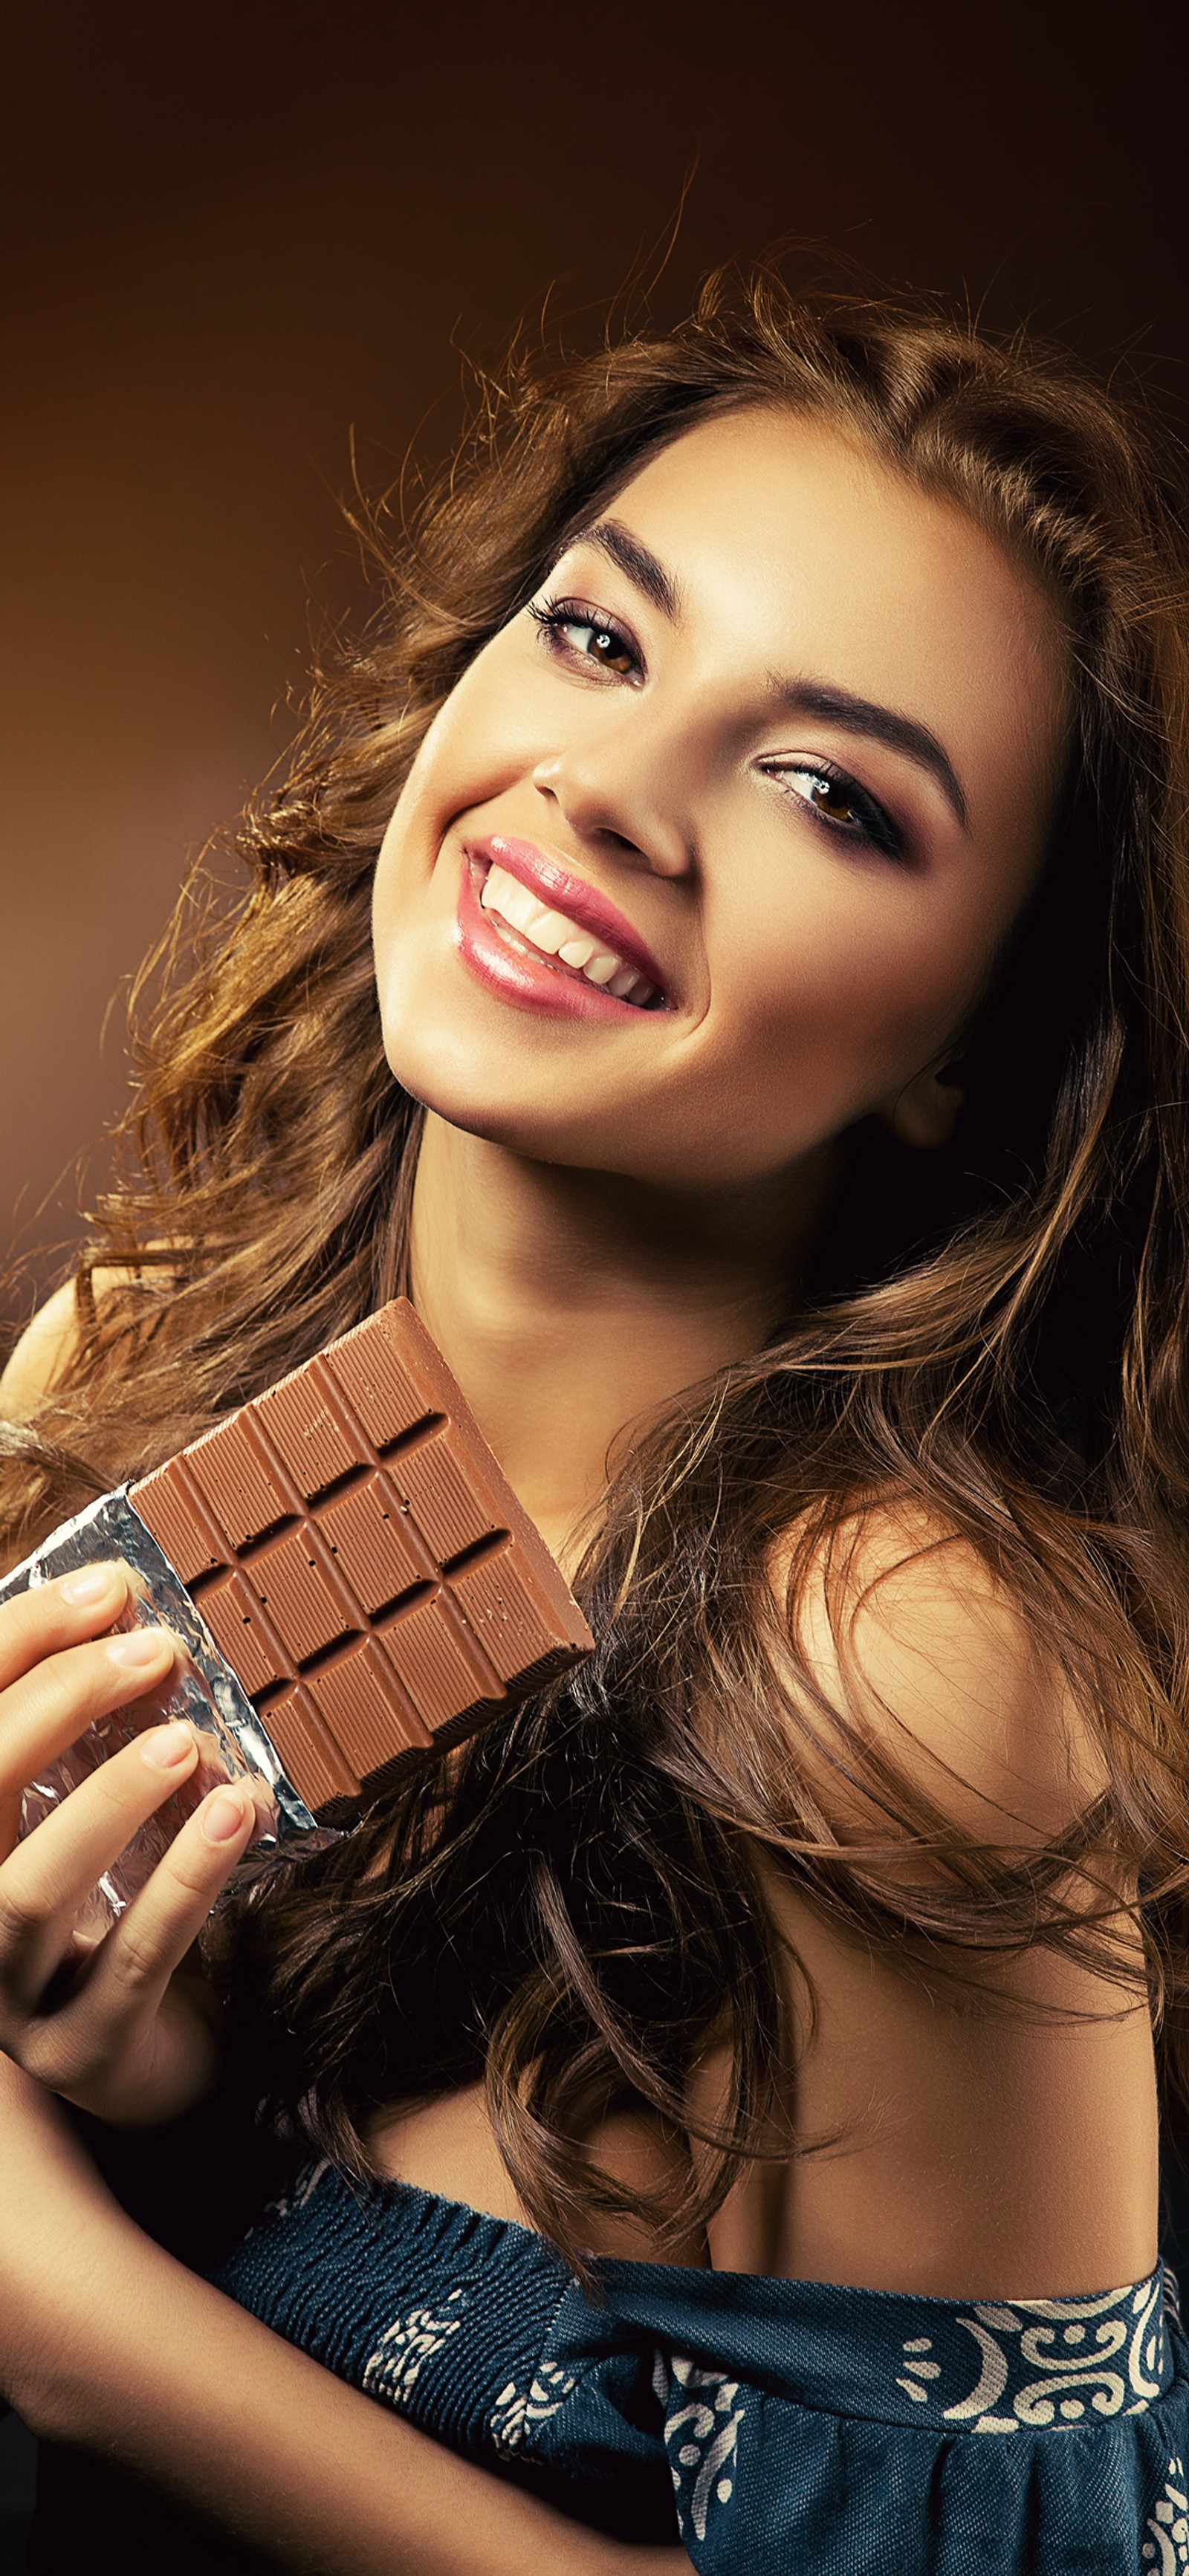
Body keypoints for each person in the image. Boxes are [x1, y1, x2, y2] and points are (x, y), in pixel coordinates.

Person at [1, 265, 1188, 2572]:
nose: (610, 792)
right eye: (602, 639)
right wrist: (140, 2091)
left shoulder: (892, 1678)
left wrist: (82, 2326)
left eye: (832, 792)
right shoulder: (147, 1335)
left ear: (964, 1047)